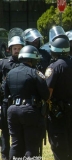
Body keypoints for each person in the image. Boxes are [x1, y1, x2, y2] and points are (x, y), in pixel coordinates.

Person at [5, 45, 49, 159]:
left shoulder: (10, 73)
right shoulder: (36, 73)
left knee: (15, 143)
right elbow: (46, 95)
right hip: (30, 110)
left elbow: (5, 94)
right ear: (32, 59)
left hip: (13, 110)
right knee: (32, 144)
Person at [45, 26, 72, 160]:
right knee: (71, 141)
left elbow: (48, 90)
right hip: (71, 109)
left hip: (56, 113)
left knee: (58, 144)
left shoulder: (53, 67)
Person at [0, 28, 25, 160]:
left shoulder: (26, 63)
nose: (17, 51)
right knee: (5, 131)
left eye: (19, 48)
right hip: (6, 102)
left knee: (19, 131)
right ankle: (5, 155)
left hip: (20, 103)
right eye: (15, 48)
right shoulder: (3, 63)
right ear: (10, 49)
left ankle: (18, 155)